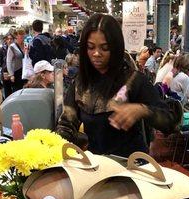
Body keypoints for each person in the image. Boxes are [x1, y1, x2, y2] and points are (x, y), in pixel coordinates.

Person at [57, 14, 176, 157]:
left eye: (104, 48)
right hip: (97, 165)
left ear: (115, 47)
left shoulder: (133, 80)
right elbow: (66, 124)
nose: (96, 53)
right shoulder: (81, 83)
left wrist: (142, 110)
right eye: (90, 47)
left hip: (131, 166)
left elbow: (170, 122)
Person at [7, 28, 26, 92]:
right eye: (20, 37)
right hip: (17, 72)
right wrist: (11, 75)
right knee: (17, 91)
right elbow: (8, 61)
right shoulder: (12, 47)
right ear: (16, 36)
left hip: (25, 71)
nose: (22, 38)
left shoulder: (26, 44)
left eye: (23, 36)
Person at [0, 33, 14, 98]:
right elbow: (0, 61)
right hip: (5, 72)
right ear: (6, 40)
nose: (9, 40)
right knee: (7, 91)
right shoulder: (2, 49)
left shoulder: (15, 48)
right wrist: (0, 70)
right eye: (8, 39)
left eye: (11, 39)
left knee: (14, 90)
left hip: (14, 72)